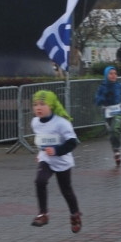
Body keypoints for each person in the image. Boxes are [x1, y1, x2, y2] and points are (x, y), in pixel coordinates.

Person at [30, 90, 81, 233]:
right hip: (46, 159)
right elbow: (42, 140)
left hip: (62, 160)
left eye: (42, 104)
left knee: (66, 190)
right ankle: (43, 213)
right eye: (35, 104)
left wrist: (57, 150)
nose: (38, 108)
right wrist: (41, 154)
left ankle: (74, 214)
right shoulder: (35, 122)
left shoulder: (61, 123)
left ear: (51, 106)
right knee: (40, 181)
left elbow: (72, 143)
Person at [95, 66, 121, 166]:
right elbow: (97, 101)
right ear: (106, 75)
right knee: (111, 132)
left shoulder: (119, 86)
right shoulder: (102, 87)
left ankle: (117, 148)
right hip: (107, 112)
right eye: (111, 73)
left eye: (115, 73)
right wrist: (104, 96)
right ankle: (116, 150)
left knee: (114, 129)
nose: (113, 75)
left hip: (118, 111)